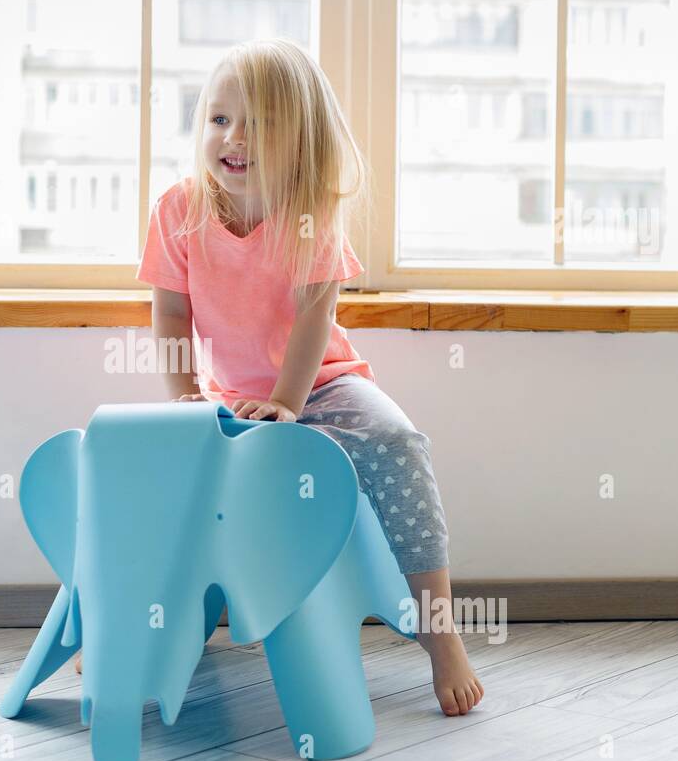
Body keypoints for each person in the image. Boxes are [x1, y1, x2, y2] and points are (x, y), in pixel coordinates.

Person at [102, 37, 483, 717]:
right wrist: (186, 399)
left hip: (325, 383)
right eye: (220, 119)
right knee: (151, 473)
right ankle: (125, 631)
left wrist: (289, 400)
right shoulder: (178, 209)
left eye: (261, 123)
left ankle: (441, 632)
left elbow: (316, 313)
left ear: (300, 138)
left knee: (399, 443)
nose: (235, 138)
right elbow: (169, 309)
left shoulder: (310, 209)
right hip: (230, 396)